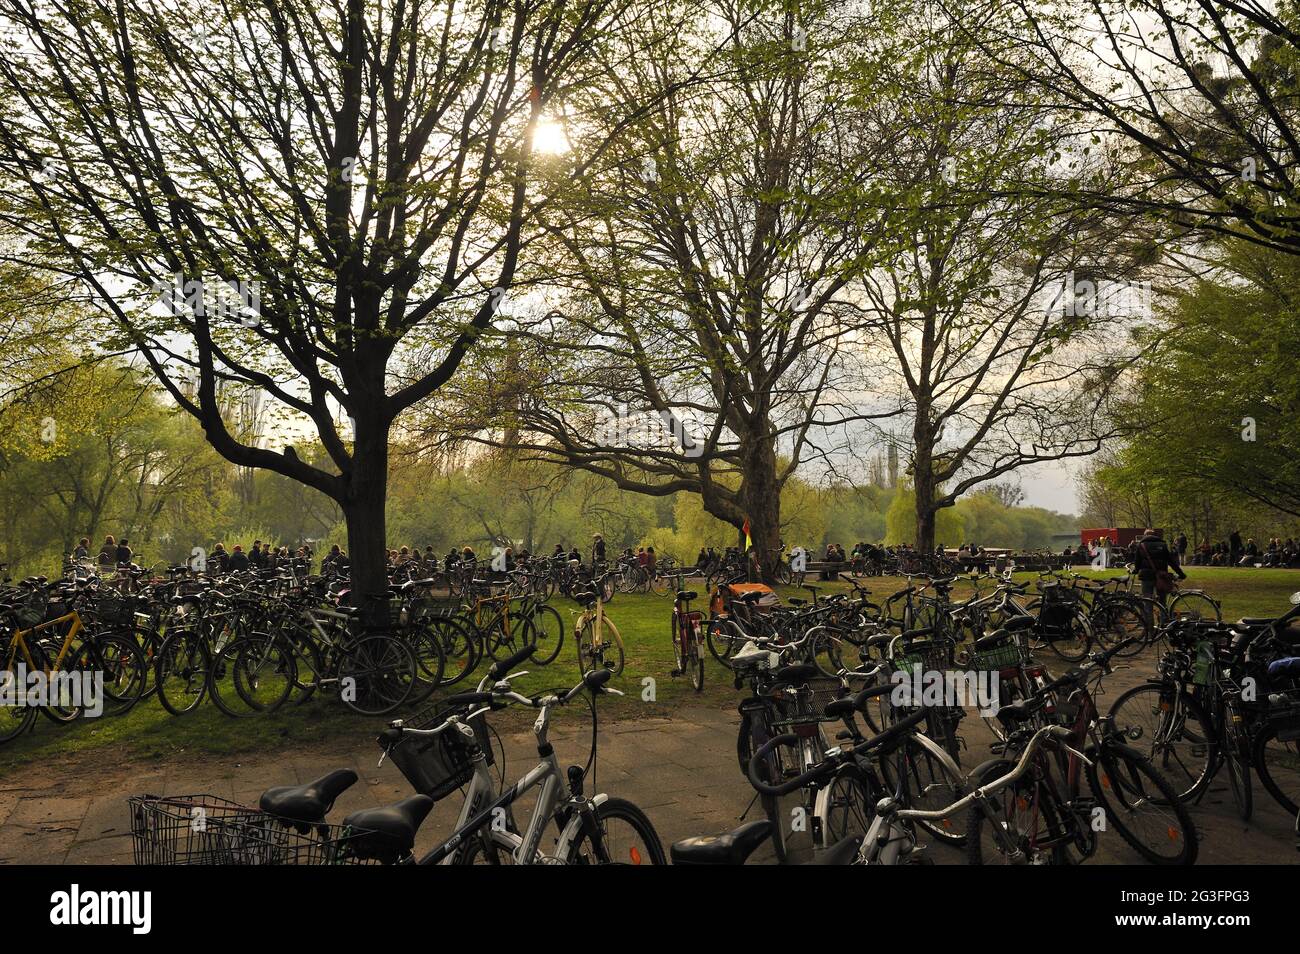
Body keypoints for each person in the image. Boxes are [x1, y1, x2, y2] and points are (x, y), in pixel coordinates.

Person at [1128, 528, 1186, 623]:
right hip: (1161, 577)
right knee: (1162, 603)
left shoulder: (1141, 545)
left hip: (1146, 577)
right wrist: (1181, 574)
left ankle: (1150, 630)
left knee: (1147, 604)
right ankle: (1164, 625)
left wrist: (1136, 570)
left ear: (1145, 536)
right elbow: (1171, 562)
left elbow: (1137, 562)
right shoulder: (1162, 545)